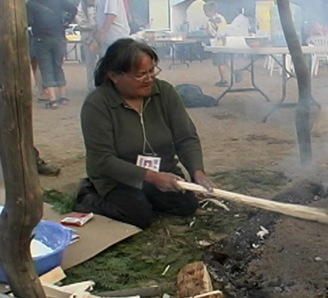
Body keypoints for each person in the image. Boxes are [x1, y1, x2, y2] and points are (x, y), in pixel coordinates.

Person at [75, 38, 215, 229]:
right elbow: (103, 159)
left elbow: (186, 137)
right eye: (141, 75)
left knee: (186, 205)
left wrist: (197, 172)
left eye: (152, 71)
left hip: (162, 169)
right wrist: (151, 177)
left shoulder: (164, 92)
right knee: (138, 215)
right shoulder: (97, 104)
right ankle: (88, 195)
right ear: (114, 76)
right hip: (117, 177)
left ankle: (147, 198)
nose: (149, 78)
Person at [26, 0, 77, 109]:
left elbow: (29, 22)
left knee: (46, 68)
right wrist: (67, 22)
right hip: (58, 36)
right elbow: (73, 9)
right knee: (58, 66)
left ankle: (52, 99)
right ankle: (63, 97)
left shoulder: (31, 4)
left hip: (41, 38)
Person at [203, 1, 229, 87]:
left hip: (218, 43)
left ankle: (224, 80)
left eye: (206, 11)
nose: (205, 13)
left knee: (220, 62)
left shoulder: (214, 20)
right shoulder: (218, 18)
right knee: (224, 61)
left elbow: (217, 32)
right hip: (221, 42)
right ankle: (234, 73)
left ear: (211, 10)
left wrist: (211, 34)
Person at [76, 0, 99, 92]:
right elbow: (81, 22)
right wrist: (94, 27)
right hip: (88, 38)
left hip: (101, 37)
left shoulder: (100, 4)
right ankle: (91, 87)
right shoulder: (81, 7)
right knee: (90, 63)